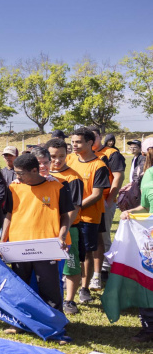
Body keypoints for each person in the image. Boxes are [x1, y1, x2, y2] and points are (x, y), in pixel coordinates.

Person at [0, 153, 75, 330]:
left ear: (35, 170)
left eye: (20, 173)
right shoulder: (14, 187)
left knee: (50, 288)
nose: (17, 176)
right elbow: (9, 215)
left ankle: (55, 326)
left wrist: (62, 236)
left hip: (46, 246)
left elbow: (65, 216)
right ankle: (19, 322)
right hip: (19, 245)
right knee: (21, 286)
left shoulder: (58, 186)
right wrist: (3, 242)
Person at [68, 127, 110, 304]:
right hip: (69, 216)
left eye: (78, 142)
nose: (74, 145)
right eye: (72, 142)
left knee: (86, 253)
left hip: (88, 217)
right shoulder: (69, 159)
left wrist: (76, 208)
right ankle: (70, 283)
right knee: (71, 250)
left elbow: (96, 194)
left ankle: (84, 288)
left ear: (90, 143)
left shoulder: (99, 165)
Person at [119, 137, 153, 342]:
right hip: (149, 236)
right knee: (146, 279)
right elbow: (145, 206)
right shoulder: (148, 175)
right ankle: (148, 327)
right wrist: (130, 212)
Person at [47, 138, 86, 314]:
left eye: (61, 156)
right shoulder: (42, 175)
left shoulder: (73, 178)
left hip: (69, 230)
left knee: (70, 264)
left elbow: (75, 207)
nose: (57, 160)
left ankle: (69, 300)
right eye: (53, 156)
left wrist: (63, 230)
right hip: (46, 229)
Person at [94, 130, 126, 289]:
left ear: (100, 137)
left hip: (105, 200)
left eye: (94, 137)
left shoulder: (111, 153)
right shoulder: (82, 154)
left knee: (104, 235)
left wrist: (109, 199)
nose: (91, 140)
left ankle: (106, 269)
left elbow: (118, 177)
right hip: (87, 203)